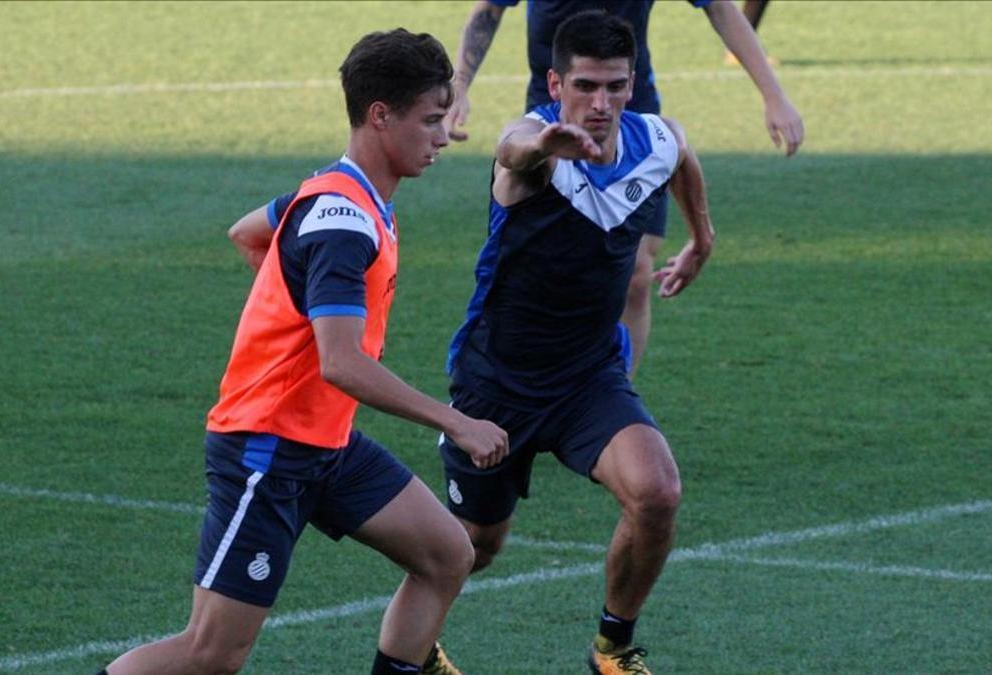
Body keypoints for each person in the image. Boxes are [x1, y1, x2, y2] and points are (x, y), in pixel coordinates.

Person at [100, 28, 508, 675]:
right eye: (431, 119)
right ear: (381, 116)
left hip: (327, 443)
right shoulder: (342, 222)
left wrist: (288, 303)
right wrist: (455, 420)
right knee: (212, 651)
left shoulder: (331, 194)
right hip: (267, 446)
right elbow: (340, 362)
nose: (444, 135)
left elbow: (248, 232)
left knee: (446, 554)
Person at [437, 10, 714, 674]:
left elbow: (680, 154)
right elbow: (510, 150)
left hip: (588, 377)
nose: (600, 102)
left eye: (614, 86)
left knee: (658, 492)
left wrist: (702, 236)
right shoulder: (533, 146)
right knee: (472, 545)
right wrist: (546, 144)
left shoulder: (652, 137)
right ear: (556, 82)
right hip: (495, 382)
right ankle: (414, 649)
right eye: (585, 86)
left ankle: (612, 650)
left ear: (632, 81)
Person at [444, 0, 802, 377]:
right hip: (557, 113)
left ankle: (612, 392)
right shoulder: (539, 125)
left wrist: (773, 95)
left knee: (635, 273)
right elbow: (489, 10)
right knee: (547, 268)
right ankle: (520, 372)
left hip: (629, 108)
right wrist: (460, 85)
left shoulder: (656, 131)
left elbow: (719, 8)